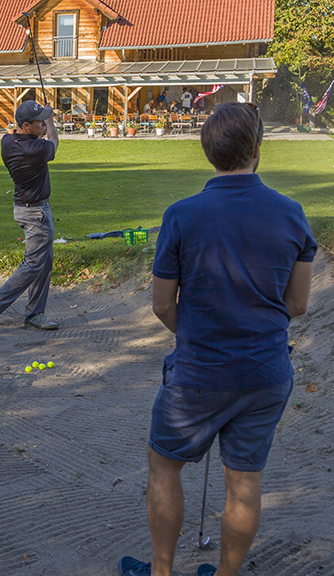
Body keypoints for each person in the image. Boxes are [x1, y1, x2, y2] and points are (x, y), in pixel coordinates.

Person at [118, 103, 317, 576]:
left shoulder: (182, 215)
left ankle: (162, 572)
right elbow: (298, 304)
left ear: (209, 152)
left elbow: (163, 304)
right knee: (244, 481)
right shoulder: (291, 214)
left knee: (165, 465)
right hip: (266, 371)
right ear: (256, 149)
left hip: (200, 373)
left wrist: (200, 332)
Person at [0, 100, 60, 334]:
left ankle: (35, 313)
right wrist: (52, 121)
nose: (43, 125)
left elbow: (23, 135)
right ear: (26, 125)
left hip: (24, 209)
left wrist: (43, 115)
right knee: (34, 264)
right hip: (36, 214)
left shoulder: (8, 142)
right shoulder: (36, 150)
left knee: (44, 263)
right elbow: (53, 141)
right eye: (39, 122)